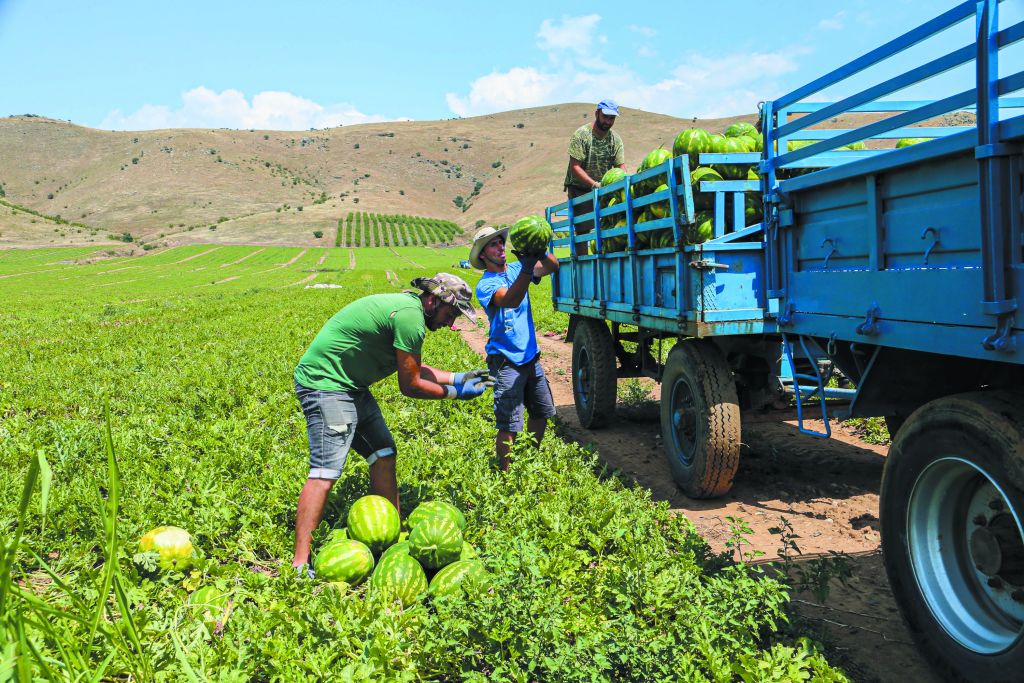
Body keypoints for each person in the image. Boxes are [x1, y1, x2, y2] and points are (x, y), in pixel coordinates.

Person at [291, 273, 490, 576]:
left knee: (383, 451)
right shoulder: (410, 318)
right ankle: (299, 563)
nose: (451, 323)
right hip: (326, 386)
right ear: (433, 301)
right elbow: (410, 384)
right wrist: (454, 393)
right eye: (451, 313)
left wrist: (457, 377)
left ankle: (389, 537)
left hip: (351, 387)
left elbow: (412, 365)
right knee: (325, 470)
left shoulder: (410, 311)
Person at [469, 225, 559, 470]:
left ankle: (528, 459)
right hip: (505, 360)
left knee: (541, 412)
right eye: (493, 245)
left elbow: (552, 266)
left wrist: (539, 251)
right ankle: (506, 474)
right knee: (509, 423)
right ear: (483, 255)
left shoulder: (518, 268)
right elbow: (510, 299)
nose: (500, 248)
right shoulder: (485, 285)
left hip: (530, 356)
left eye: (501, 242)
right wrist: (528, 269)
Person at [563, 99, 626, 254]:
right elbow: (575, 167)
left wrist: (624, 181)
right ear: (597, 113)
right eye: (605, 117)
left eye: (612, 118)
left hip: (605, 188)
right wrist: (594, 185)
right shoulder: (582, 135)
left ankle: (606, 255)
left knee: (609, 223)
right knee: (583, 229)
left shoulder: (615, 139)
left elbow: (621, 167)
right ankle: (584, 263)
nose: (608, 121)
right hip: (580, 188)